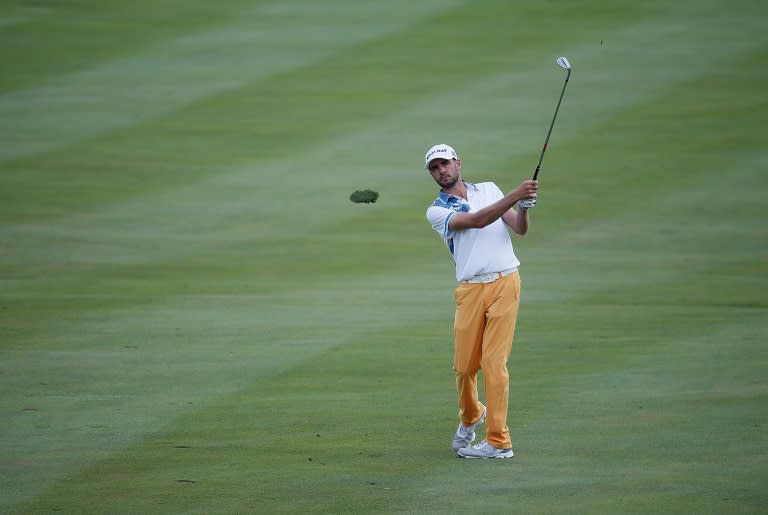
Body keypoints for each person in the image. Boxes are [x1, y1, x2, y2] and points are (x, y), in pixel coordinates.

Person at [424, 143, 538, 459]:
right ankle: (472, 415)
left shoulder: (489, 189)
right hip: (471, 289)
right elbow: (476, 221)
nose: (441, 171)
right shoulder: (437, 210)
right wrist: (515, 195)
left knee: (493, 364)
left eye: (445, 163)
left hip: (505, 281)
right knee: (464, 367)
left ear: (458, 163)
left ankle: (499, 442)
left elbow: (519, 228)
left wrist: (524, 206)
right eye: (434, 168)